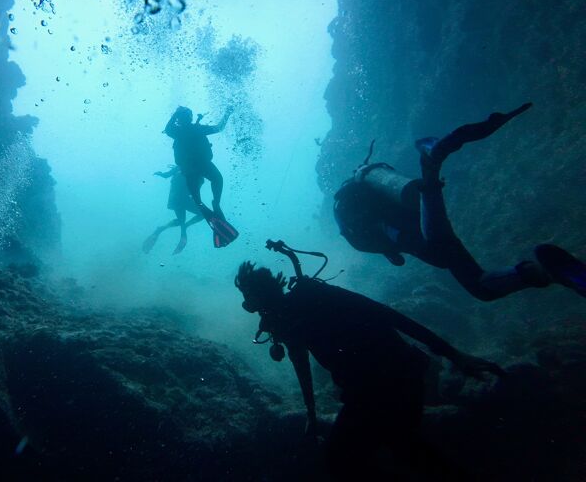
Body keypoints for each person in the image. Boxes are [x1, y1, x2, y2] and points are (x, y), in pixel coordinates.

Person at [235, 240, 503, 480]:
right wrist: (312, 414)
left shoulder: (313, 296)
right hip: (372, 388)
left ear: (261, 294)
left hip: (392, 379)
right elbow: (300, 363)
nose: (248, 306)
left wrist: (453, 353)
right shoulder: (285, 322)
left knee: (352, 458)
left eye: (249, 298)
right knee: (396, 449)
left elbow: (384, 313)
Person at [333, 103, 586, 301]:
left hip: (420, 223)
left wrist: (413, 248)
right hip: (417, 208)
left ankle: (429, 164)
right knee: (480, 285)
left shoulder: (363, 228)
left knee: (464, 273)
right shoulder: (367, 202)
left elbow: (396, 237)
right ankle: (547, 272)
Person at [163, 105, 238, 247]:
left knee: (212, 185)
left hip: (196, 167)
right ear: (180, 119)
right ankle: (214, 207)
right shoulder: (180, 131)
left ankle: (215, 204)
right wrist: (227, 113)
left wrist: (227, 113)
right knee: (202, 195)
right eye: (183, 116)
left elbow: (218, 128)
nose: (186, 118)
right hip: (195, 168)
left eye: (187, 115)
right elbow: (168, 129)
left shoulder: (186, 130)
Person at [142, 165, 204, 254]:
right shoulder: (196, 168)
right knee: (200, 215)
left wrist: (161, 174)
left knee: (180, 220)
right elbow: (195, 188)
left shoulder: (180, 166)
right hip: (184, 198)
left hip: (176, 198)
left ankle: (161, 229)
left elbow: (166, 175)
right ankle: (184, 229)